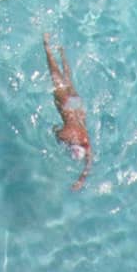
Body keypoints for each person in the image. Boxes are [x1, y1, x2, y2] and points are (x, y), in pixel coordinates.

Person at [42, 32, 92, 190]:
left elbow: (89, 162)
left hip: (78, 106)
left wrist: (82, 179)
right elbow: (55, 130)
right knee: (55, 75)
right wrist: (56, 135)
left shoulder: (86, 140)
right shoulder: (68, 134)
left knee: (68, 81)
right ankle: (47, 46)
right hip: (65, 106)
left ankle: (62, 52)